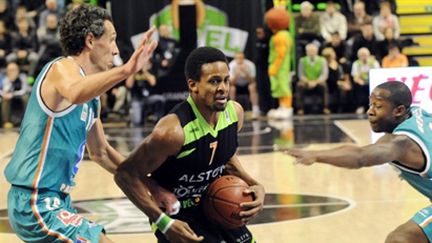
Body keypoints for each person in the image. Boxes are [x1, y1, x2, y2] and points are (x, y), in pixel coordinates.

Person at [4, 4, 157, 243]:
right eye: (113, 39)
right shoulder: (61, 68)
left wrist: (152, 186)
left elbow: (102, 152)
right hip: (35, 203)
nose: (116, 50)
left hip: (59, 201)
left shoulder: (92, 97)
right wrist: (127, 70)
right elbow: (75, 92)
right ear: (90, 41)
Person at [115, 46, 265, 243]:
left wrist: (256, 185)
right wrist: (163, 222)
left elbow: (225, 158)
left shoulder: (234, 113)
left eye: (226, 80)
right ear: (193, 85)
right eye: (214, 81)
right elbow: (126, 174)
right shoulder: (172, 132)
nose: (223, 88)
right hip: (178, 214)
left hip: (215, 206)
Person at [285, 81, 432, 243]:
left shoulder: (402, 143)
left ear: (399, 110)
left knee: (400, 240)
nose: (370, 111)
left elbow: (360, 156)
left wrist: (316, 155)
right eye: (370, 105)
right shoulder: (417, 113)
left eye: (378, 106)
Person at [229, 52, 260, 118]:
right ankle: (232, 110)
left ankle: (255, 109)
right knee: (232, 89)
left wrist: (246, 73)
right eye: (238, 58)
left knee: (252, 86)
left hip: (247, 84)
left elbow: (252, 80)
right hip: (236, 84)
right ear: (235, 59)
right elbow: (231, 82)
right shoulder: (231, 65)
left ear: (244, 58)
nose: (239, 60)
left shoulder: (250, 65)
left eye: (241, 58)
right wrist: (237, 74)